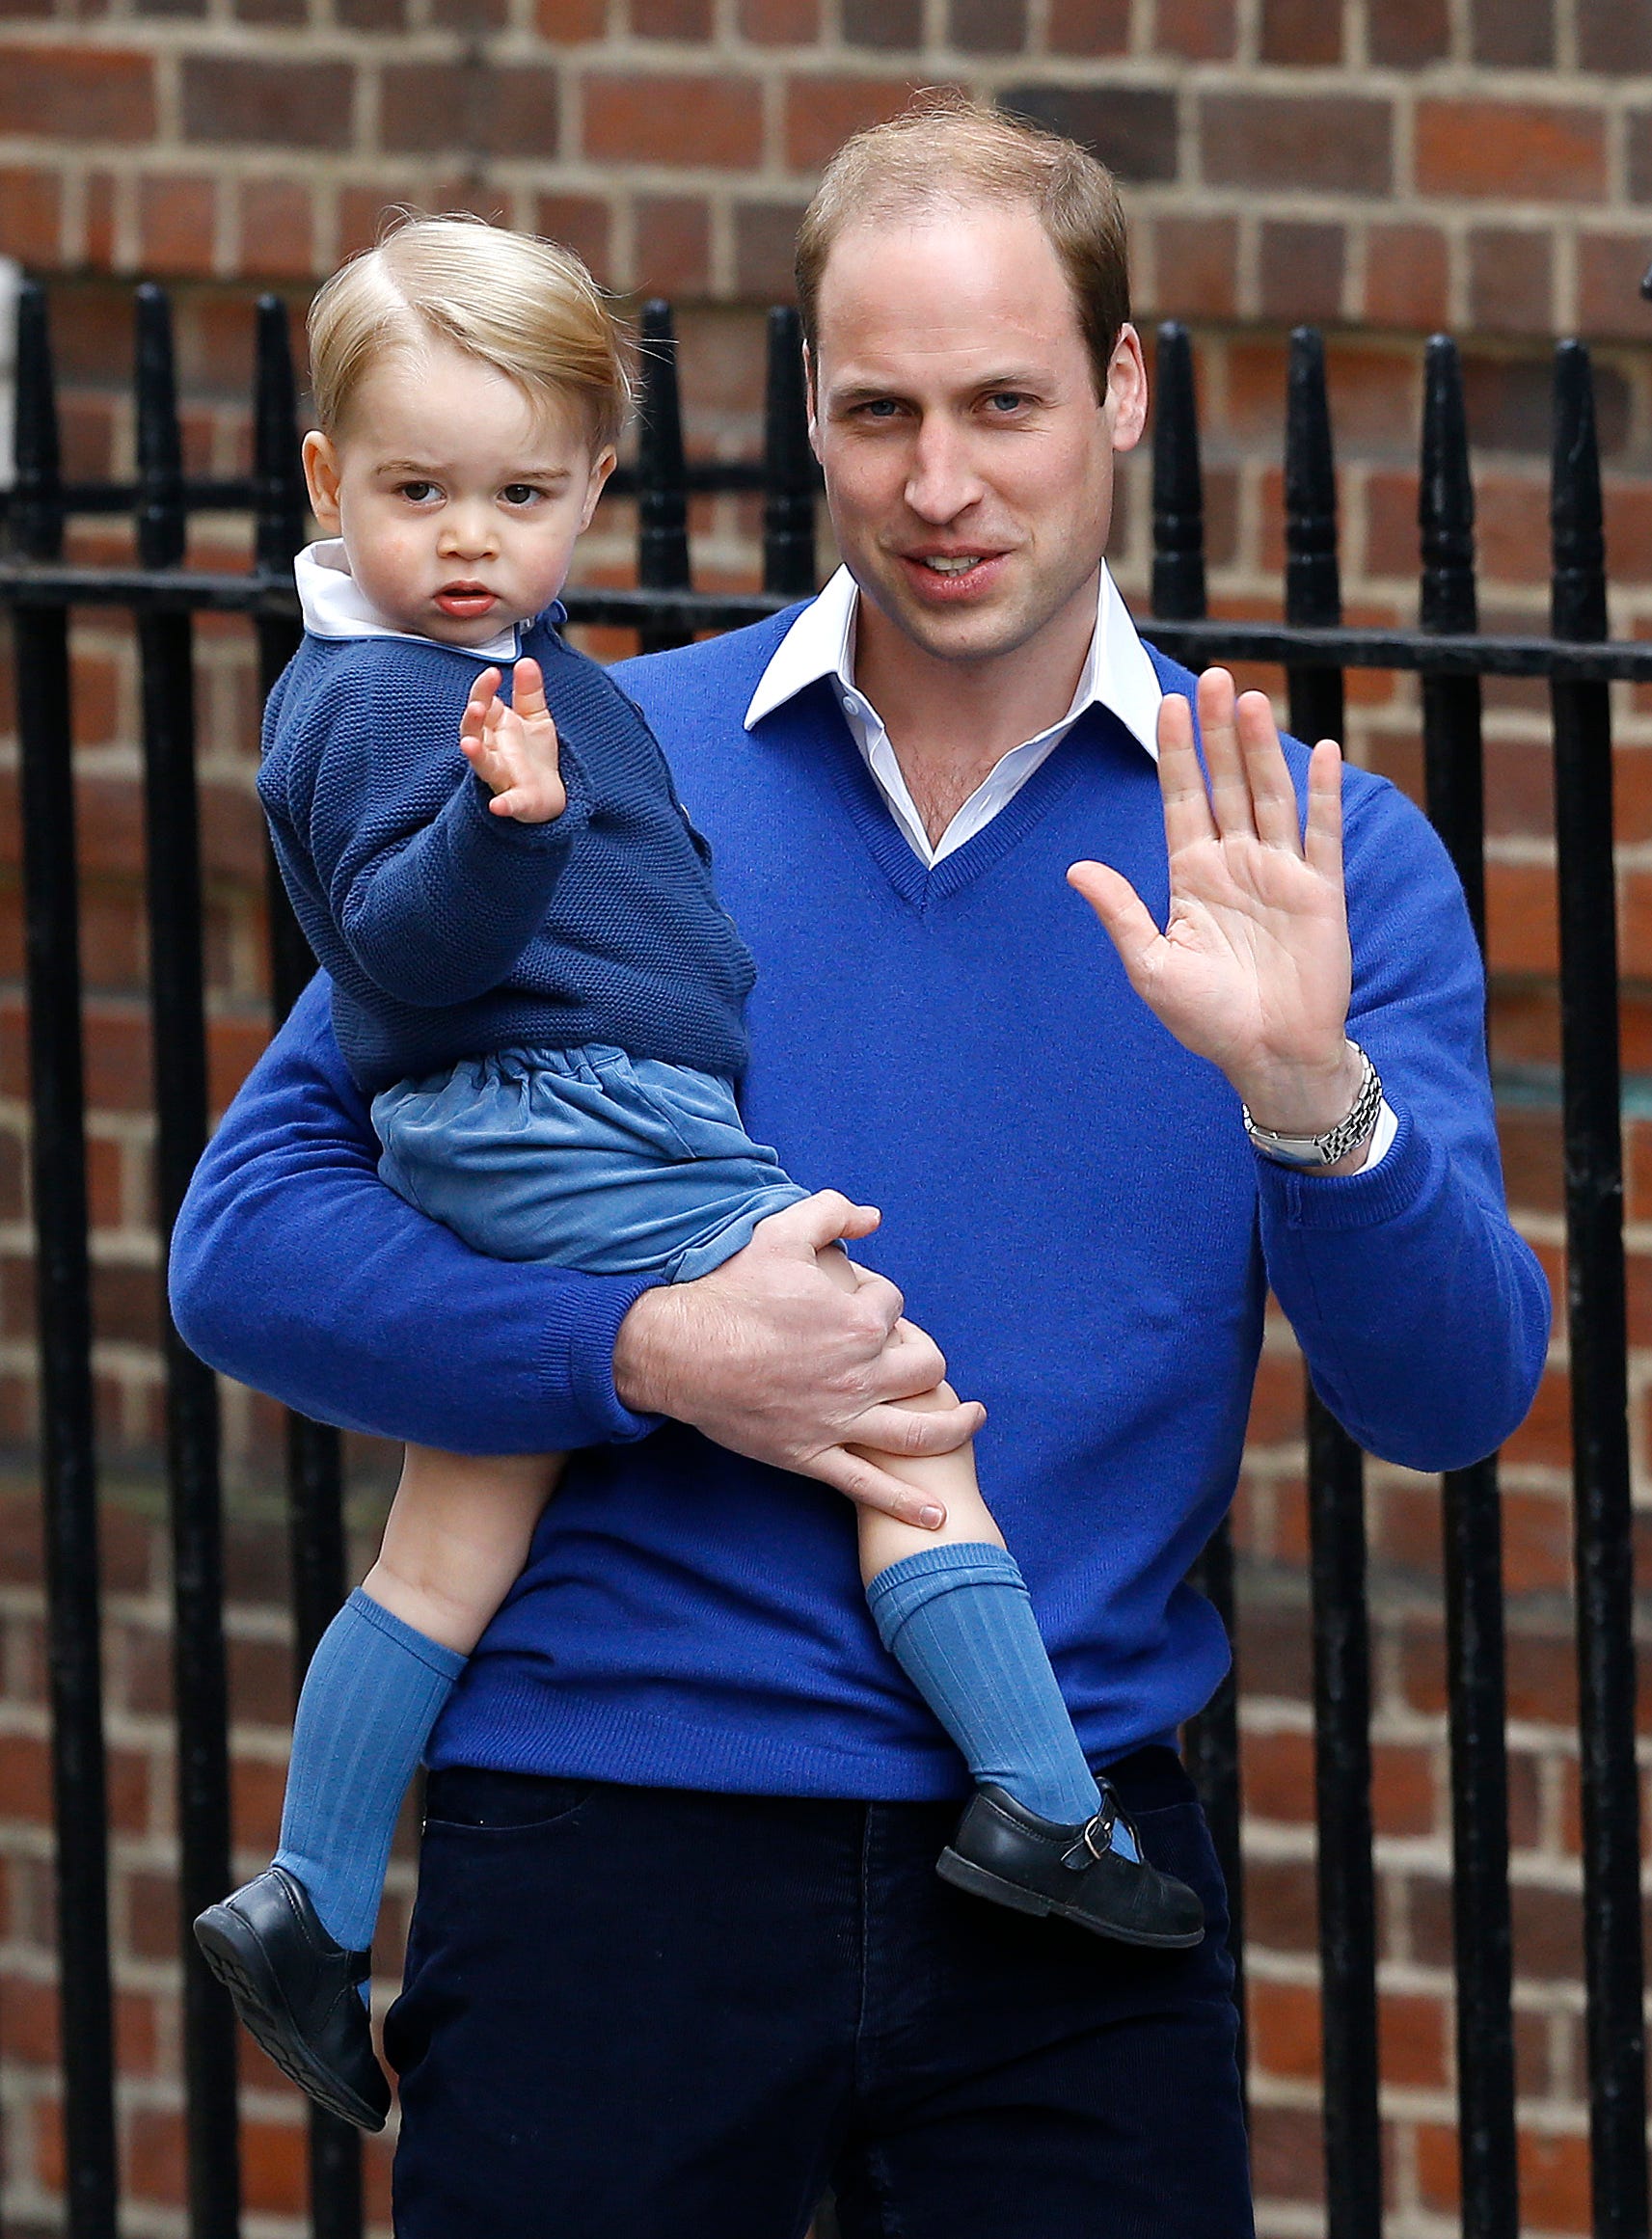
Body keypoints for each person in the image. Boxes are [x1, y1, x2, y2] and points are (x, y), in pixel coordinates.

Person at [172, 98, 1550, 2238]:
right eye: (877, 408)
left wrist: (1304, 1092)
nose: (938, 483)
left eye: (1003, 403)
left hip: (1066, 1895)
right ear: (806, 411)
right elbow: (245, 1250)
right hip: (604, 1855)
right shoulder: (582, 756)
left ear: (1116, 390)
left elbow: (1447, 1399)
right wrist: (651, 1345)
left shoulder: (1305, 854)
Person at [191, 210, 1202, 2138]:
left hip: (558, 1118)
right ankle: (1047, 1807)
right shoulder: (389, 697)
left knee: (447, 1541)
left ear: (589, 485)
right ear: (328, 484)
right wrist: (507, 836)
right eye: (416, 492)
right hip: (580, 1120)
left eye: (514, 493)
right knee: (888, 1399)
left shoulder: (527, 673)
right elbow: (394, 958)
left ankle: (309, 1903)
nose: (467, 540)